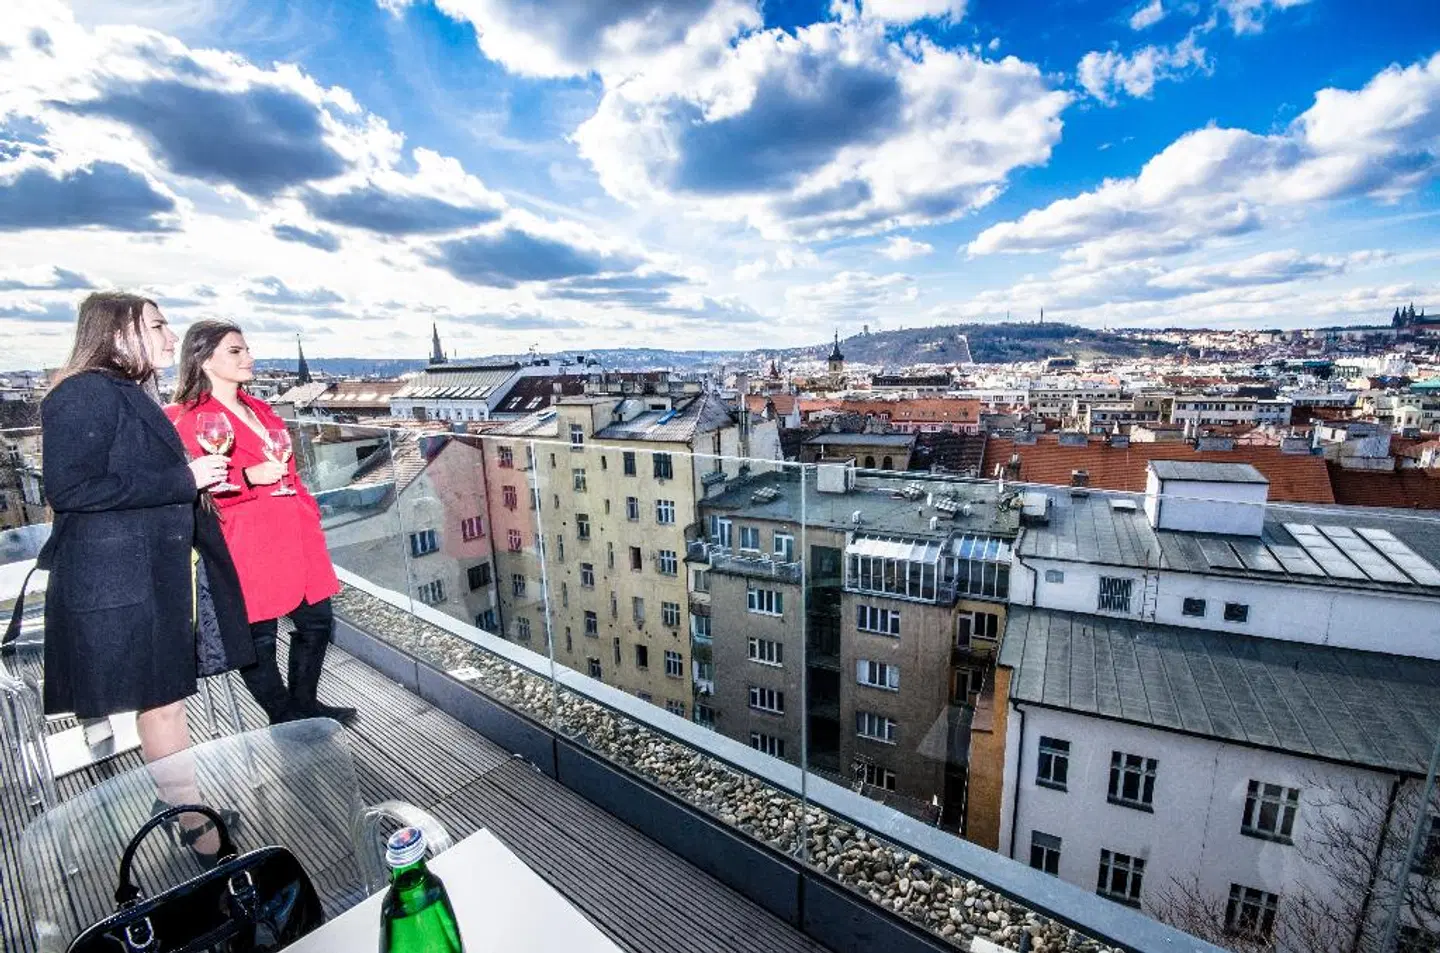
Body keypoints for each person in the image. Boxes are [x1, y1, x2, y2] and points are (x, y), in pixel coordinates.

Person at [41, 292, 255, 852]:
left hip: (138, 575)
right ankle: (201, 834)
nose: (168, 338)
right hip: (119, 584)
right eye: (157, 326)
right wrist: (184, 479)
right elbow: (69, 490)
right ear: (116, 333)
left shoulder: (120, 390)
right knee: (161, 701)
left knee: (163, 700)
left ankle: (181, 803)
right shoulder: (84, 392)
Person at [166, 319, 357, 726]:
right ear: (203, 360)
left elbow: (287, 464)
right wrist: (247, 478)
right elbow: (187, 490)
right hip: (247, 541)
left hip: (295, 532)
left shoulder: (260, 407)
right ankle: (284, 715)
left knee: (317, 622)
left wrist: (308, 509)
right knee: (259, 638)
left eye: (247, 349)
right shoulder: (185, 418)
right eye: (236, 351)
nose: (249, 357)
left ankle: (305, 703)